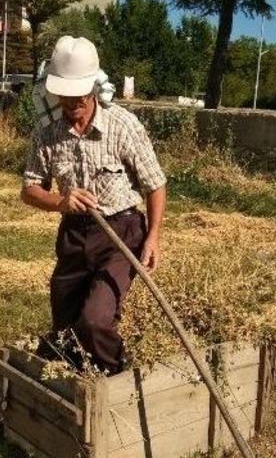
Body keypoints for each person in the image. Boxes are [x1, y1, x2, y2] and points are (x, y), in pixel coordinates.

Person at [20, 36, 167, 375]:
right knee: (65, 325)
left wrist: (153, 236)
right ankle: (73, 384)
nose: (74, 105)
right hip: (74, 235)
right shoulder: (47, 134)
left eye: (81, 97)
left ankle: (116, 379)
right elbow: (29, 190)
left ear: (93, 89)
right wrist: (61, 200)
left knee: (95, 320)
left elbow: (155, 184)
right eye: (66, 97)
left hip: (121, 234)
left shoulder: (122, 126)